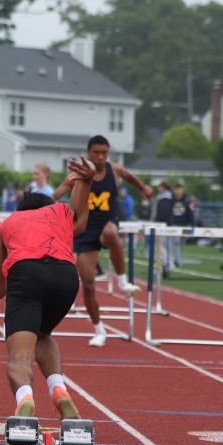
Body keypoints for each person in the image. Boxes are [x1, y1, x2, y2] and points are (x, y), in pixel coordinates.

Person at [0, 156, 96, 420]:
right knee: (42, 334)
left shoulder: (9, 223)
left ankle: (25, 397)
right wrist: (86, 179)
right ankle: (58, 388)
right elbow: (81, 213)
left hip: (27, 274)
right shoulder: (61, 211)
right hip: (66, 277)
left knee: (19, 357)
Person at [53, 135, 153, 347]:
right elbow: (58, 192)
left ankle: (122, 282)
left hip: (107, 223)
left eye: (104, 153)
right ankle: (99, 330)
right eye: (96, 153)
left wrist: (143, 187)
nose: (100, 157)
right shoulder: (78, 174)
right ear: (88, 153)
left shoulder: (114, 170)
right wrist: (38, 207)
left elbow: (130, 177)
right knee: (88, 284)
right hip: (85, 230)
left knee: (111, 233)